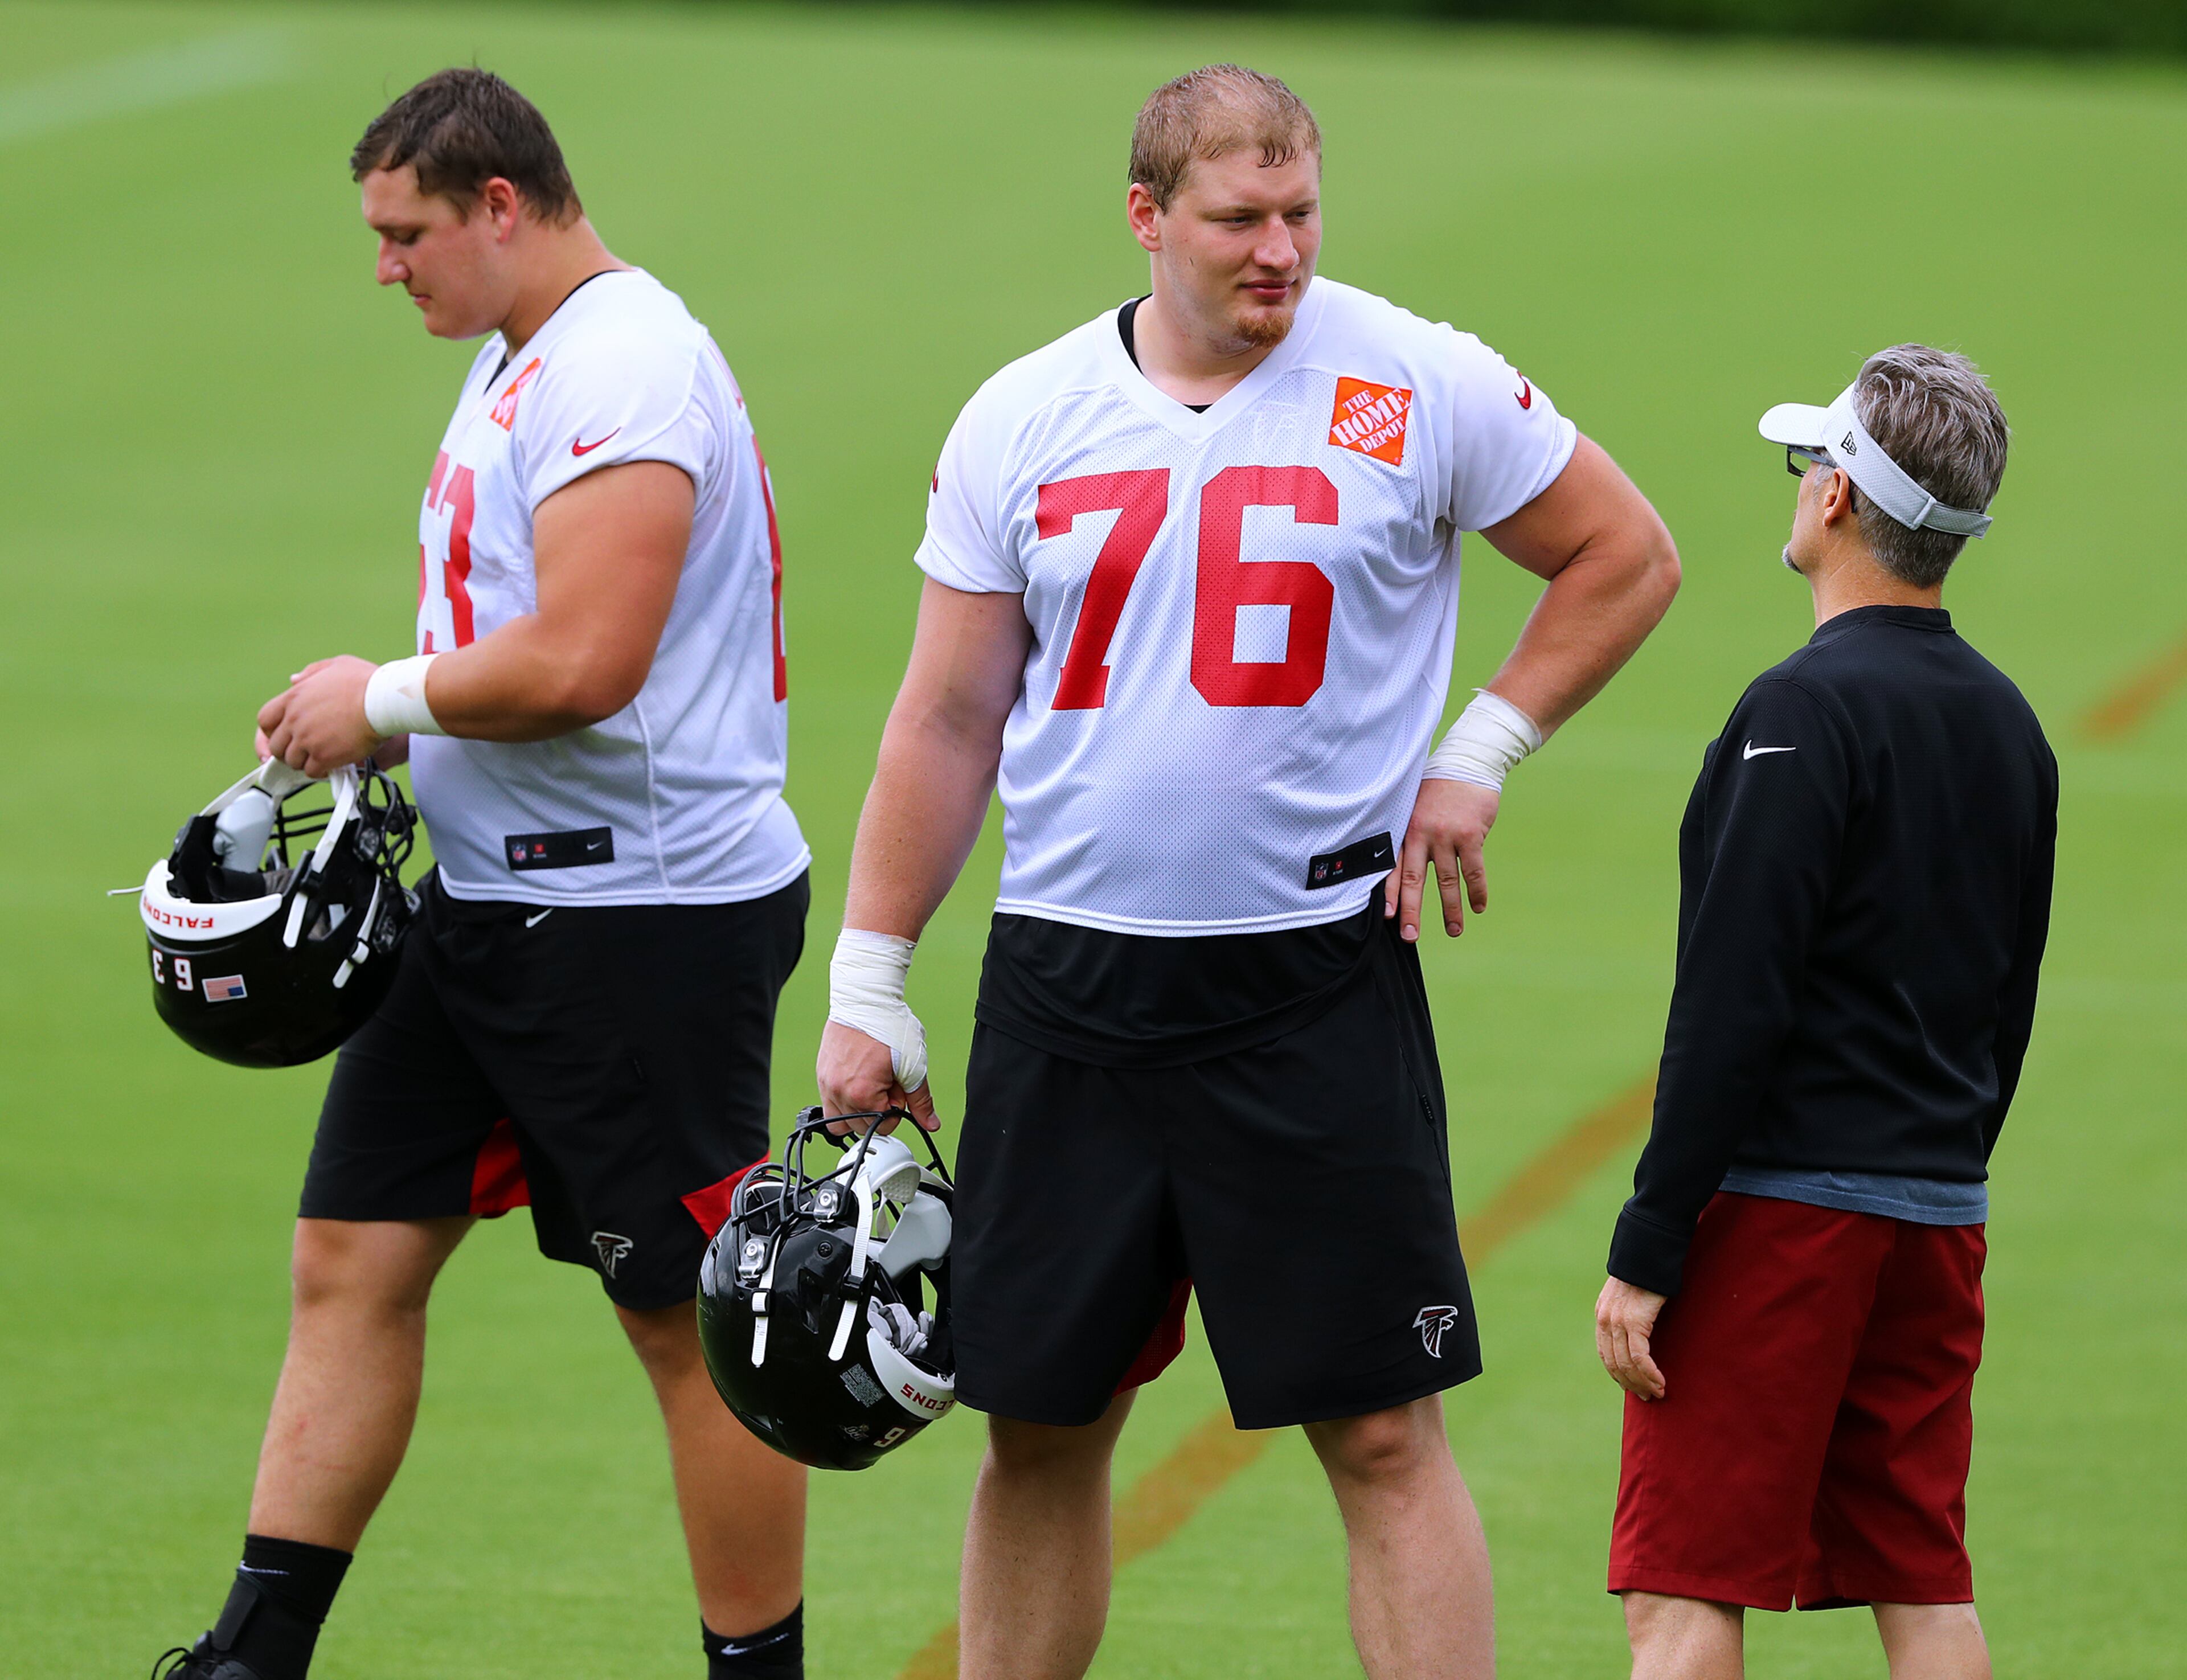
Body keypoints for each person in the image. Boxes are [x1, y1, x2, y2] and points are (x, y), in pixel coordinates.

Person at [817, 64, 1680, 1680]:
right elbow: (944, 715)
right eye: (1238, 220)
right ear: (1148, 221)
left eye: (1299, 213)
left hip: (1308, 980)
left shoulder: (1416, 377)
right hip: (1067, 985)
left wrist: (1477, 754)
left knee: (1379, 1433)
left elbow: (1625, 552)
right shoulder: (1024, 410)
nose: (1278, 250)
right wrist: (870, 979)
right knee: (1041, 1425)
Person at [157, 70, 812, 1680]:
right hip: (498, 895)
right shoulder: (530, 353)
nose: (389, 268)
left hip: (637, 920)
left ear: (501, 206)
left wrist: (378, 698)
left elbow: (589, 655)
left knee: (688, 1322)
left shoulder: (625, 367)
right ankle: (250, 1655)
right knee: (352, 1250)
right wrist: (398, 734)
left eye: (408, 234)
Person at [1594, 346, 2054, 1680]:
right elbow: (2009, 1000)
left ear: (1842, 497)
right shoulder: (2011, 724)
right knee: (1921, 1578)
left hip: (1782, 1221)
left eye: (1813, 464)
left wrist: (1654, 1233)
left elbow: (1733, 1001)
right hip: (1936, 1216)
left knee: (1682, 1587)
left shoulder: (1801, 709)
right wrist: (1944, 1171)